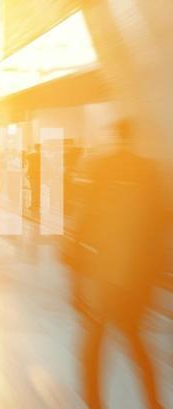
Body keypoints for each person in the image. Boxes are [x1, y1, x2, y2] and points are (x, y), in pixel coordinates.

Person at [66, 119, 167, 409]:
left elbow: (85, 216)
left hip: (104, 269)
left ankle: (94, 401)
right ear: (133, 137)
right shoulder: (148, 170)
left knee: (95, 342)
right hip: (133, 274)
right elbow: (158, 223)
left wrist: (74, 268)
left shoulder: (101, 167)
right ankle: (154, 402)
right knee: (135, 340)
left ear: (115, 136)